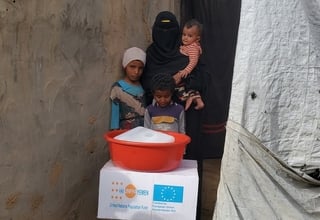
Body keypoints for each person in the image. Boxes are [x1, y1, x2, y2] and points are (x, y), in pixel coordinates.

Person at [109, 47, 146, 130]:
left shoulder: (143, 86)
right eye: (132, 66)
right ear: (125, 66)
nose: (136, 72)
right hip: (126, 132)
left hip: (143, 130)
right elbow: (115, 115)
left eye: (140, 68)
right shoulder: (118, 88)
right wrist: (115, 132)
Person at [174, 19, 205, 110]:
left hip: (189, 74)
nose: (185, 38)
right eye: (184, 35)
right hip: (188, 74)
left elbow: (193, 61)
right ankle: (191, 99)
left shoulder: (193, 48)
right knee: (183, 89)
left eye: (190, 36)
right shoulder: (189, 46)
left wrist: (186, 70)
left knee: (181, 88)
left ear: (197, 38)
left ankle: (196, 101)